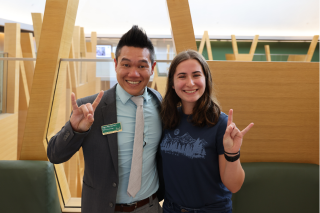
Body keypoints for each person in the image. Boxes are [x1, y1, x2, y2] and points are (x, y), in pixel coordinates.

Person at [47, 25, 164, 213]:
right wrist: (75, 129)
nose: (133, 73)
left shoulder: (159, 103)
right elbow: (54, 155)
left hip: (149, 207)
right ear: (115, 64)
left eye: (142, 65)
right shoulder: (91, 108)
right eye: (126, 64)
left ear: (152, 68)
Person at [160, 50, 254, 213]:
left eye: (196, 75)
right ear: (173, 83)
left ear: (206, 80)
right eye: (182, 76)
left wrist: (232, 153)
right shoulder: (166, 119)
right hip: (171, 209)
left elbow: (234, 186)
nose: (190, 83)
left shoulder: (220, 123)